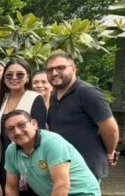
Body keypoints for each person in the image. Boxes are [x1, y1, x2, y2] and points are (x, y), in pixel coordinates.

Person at [44, 52, 119, 182]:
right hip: (62, 168)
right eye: (50, 70)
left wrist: (109, 152)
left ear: (74, 69)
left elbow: (110, 129)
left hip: (86, 170)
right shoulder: (53, 97)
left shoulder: (87, 93)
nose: (54, 73)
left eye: (61, 68)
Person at [0, 58, 45, 175]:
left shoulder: (35, 98)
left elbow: (40, 133)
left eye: (20, 74)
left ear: (28, 78)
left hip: (27, 160)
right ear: (4, 78)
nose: (14, 78)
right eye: (9, 75)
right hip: (3, 159)